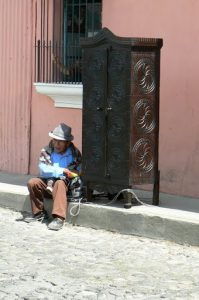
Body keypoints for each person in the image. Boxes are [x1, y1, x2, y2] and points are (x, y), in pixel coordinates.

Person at [24, 123, 82, 231]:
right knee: (32, 182)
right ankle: (39, 213)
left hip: (66, 186)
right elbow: (43, 169)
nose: (56, 144)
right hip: (47, 184)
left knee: (59, 183)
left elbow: (77, 170)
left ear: (67, 142)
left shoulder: (74, 153)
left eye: (60, 141)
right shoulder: (46, 151)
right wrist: (61, 170)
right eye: (55, 140)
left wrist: (70, 173)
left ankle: (59, 218)